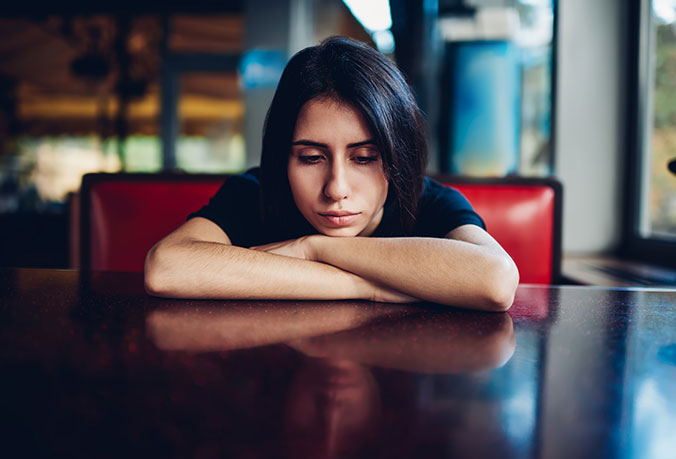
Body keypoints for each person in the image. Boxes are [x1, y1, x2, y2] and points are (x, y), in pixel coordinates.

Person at [144, 36, 519, 310]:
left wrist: (315, 248)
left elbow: (496, 280)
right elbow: (166, 267)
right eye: (310, 157)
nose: (336, 188)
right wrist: (362, 286)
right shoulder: (256, 192)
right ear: (282, 158)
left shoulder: (429, 201)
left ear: (397, 158)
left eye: (365, 158)